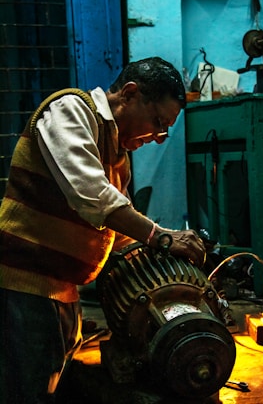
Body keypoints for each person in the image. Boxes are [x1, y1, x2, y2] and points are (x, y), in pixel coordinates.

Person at [0, 56, 206, 403]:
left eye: (164, 130)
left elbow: (116, 226)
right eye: (157, 122)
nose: (157, 138)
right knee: (26, 391)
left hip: (61, 291)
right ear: (129, 94)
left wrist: (166, 263)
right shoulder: (70, 110)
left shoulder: (115, 150)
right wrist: (161, 237)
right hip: (23, 284)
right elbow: (92, 195)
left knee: (47, 382)